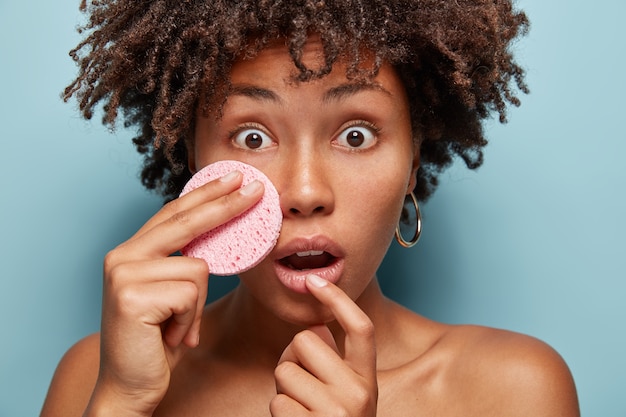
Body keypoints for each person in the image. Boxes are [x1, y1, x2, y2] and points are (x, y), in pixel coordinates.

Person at [41, 1, 580, 416]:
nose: (303, 192)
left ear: (412, 162)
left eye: (356, 134)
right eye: (252, 138)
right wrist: (118, 403)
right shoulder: (96, 377)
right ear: (194, 163)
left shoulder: (513, 389)